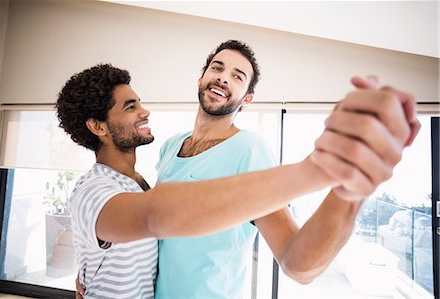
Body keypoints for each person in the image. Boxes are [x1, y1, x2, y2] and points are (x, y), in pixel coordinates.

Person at [57, 53, 418, 298]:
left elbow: (298, 263)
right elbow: (146, 218)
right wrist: (91, 269)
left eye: (237, 76)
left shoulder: (250, 150)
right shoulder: (167, 149)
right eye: (217, 67)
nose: (223, 78)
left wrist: (345, 184)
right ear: (201, 78)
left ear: (246, 100)